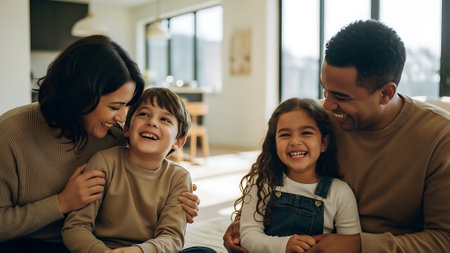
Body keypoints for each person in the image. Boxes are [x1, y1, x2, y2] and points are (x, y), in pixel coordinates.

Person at [224, 19, 450, 253]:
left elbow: (444, 239)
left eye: (341, 97)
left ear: (385, 93)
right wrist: (246, 225)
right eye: (325, 89)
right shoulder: (317, 121)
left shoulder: (440, 137)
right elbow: (271, 172)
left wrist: (358, 245)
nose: (328, 104)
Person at [0, 35, 199, 252]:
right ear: (80, 97)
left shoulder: (116, 134)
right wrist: (62, 202)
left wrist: (179, 201)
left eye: (127, 106)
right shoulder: (9, 133)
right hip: (34, 243)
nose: (123, 118)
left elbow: (152, 165)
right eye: (115, 107)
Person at [62, 88, 214, 253]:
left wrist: (139, 251)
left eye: (165, 119)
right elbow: (76, 227)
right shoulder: (104, 162)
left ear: (178, 141)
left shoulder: (178, 177)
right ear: (126, 128)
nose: (152, 122)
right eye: (143, 114)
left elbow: (172, 237)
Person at [235, 98, 361, 253]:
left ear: (324, 143)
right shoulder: (262, 183)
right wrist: (284, 245)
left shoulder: (340, 192)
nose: (295, 141)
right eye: (285, 135)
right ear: (274, 144)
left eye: (306, 133)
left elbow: (350, 245)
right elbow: (248, 236)